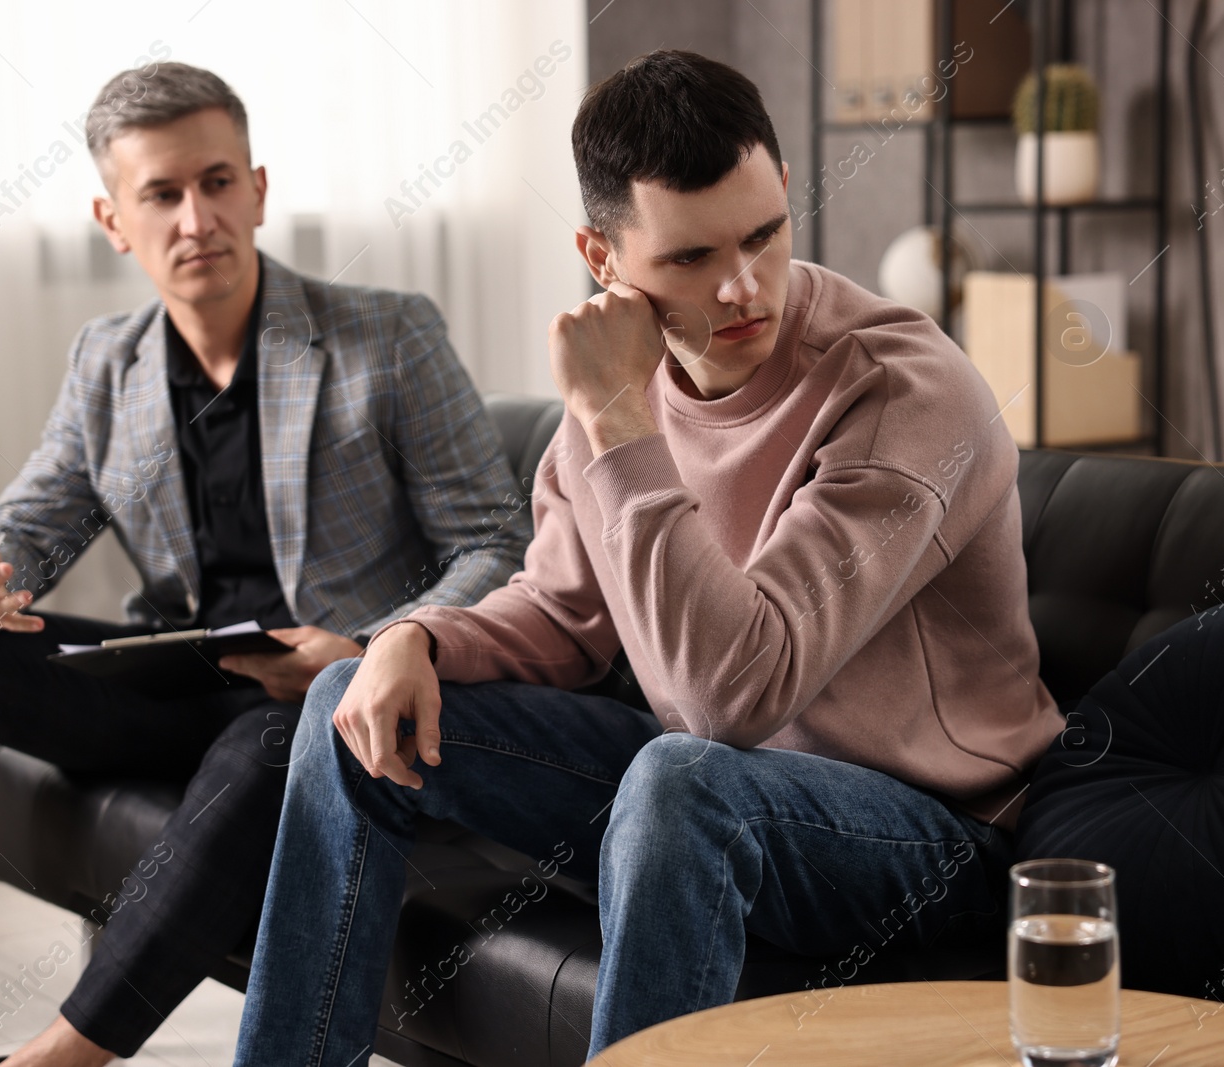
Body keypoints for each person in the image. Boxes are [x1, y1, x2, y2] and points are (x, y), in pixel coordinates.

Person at [232, 49, 1066, 1063]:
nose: (742, 285)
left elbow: (730, 698)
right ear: (602, 255)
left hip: (930, 837)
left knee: (683, 776)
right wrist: (413, 637)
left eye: (762, 234)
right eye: (689, 259)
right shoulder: (620, 389)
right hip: (707, 801)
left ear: (787, 192)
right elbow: (563, 616)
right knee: (346, 697)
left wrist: (620, 420)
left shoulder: (900, 391)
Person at [0, 62, 529, 1067]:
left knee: (277, 740)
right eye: (162, 194)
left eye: (217, 182)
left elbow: (495, 542)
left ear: (257, 189)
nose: (197, 217)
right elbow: (35, 526)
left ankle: (51, 1060)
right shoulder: (107, 359)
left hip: (324, 699)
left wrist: (366, 645)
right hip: (170, 680)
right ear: (112, 219)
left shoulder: (389, 338)